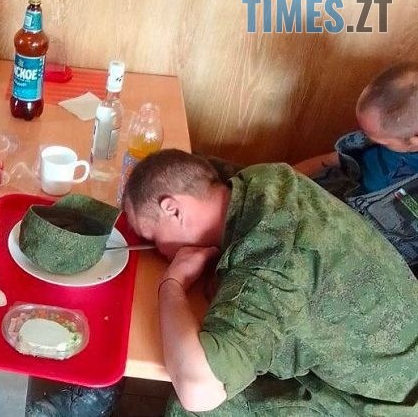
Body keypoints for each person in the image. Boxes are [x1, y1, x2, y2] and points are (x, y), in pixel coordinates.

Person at [122, 149, 418, 415]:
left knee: (192, 409)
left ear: (173, 209)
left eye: (153, 237)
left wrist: (171, 284)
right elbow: (192, 163)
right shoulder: (261, 180)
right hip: (393, 346)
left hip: (381, 400)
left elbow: (198, 392)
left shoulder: (273, 256)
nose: (156, 249)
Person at [294, 63, 418, 273]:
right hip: (335, 206)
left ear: (414, 140)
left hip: (374, 256)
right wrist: (282, 175)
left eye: (381, 141)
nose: (370, 139)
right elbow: (333, 159)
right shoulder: (387, 135)